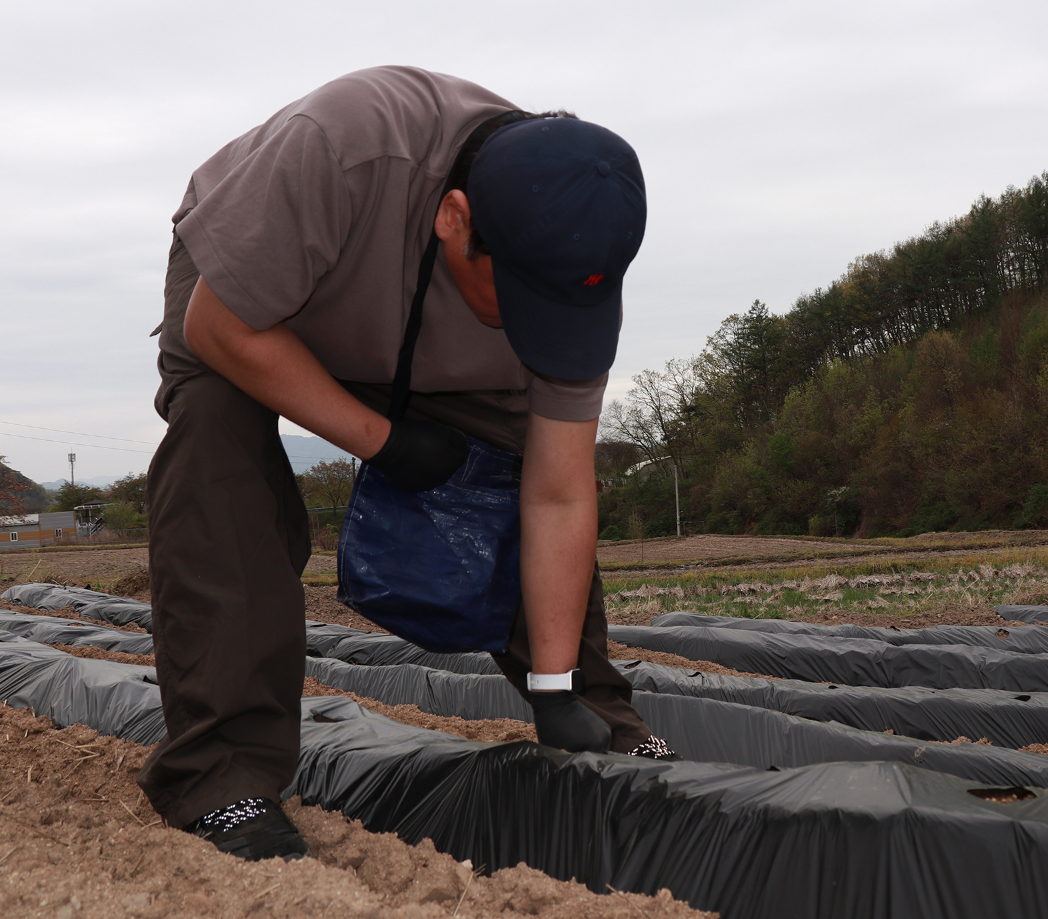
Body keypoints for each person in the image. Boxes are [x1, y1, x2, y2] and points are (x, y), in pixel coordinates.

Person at [141, 66, 678, 862]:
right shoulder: (339, 151)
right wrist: (383, 440)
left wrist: (558, 685)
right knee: (217, 456)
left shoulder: (573, 256)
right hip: (258, 299)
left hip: (425, 340)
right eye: (520, 297)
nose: (538, 324)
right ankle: (221, 777)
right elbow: (220, 327)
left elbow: (560, 493)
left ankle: (599, 717)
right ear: (455, 220)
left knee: (518, 466)